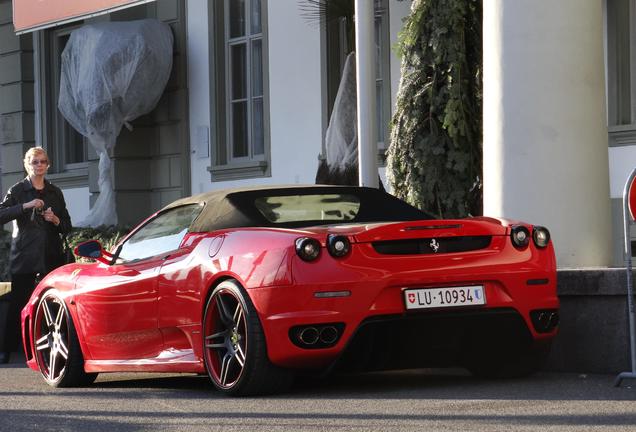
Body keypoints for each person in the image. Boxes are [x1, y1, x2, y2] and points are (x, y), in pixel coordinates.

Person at [0, 147, 72, 363]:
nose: (39, 165)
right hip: (25, 255)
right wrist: (25, 206)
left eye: (43, 162)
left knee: (51, 303)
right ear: (27, 165)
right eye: (35, 162)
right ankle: (8, 349)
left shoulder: (55, 192)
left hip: (50, 255)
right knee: (19, 304)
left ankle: (48, 346)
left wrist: (56, 220)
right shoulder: (18, 190)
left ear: (48, 165)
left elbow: (68, 226)